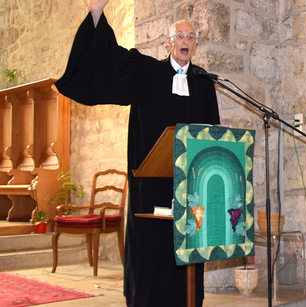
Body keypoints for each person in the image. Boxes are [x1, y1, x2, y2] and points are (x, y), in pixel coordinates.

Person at [55, 0, 220, 306]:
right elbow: (109, 61)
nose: (185, 41)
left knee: (185, 248)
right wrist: (95, 14)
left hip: (191, 186)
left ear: (196, 45)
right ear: (168, 42)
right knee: (150, 249)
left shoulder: (204, 83)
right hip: (151, 184)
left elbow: (213, 132)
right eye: (179, 36)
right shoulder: (147, 72)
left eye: (191, 37)